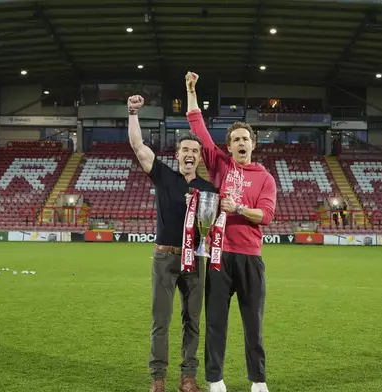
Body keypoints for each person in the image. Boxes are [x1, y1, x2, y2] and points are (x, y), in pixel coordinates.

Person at [184, 72, 277, 392]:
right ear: (229, 146)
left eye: (245, 139)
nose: (240, 143)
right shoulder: (220, 165)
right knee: (216, 323)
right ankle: (215, 379)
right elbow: (198, 126)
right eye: (235, 139)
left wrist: (237, 208)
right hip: (220, 258)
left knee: (254, 325)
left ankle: (258, 381)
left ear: (253, 144)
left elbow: (265, 216)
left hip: (251, 259)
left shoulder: (265, 178)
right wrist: (191, 90)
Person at [127, 94, 216, 392]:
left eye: (195, 150)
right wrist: (133, 114)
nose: (190, 154)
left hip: (195, 261)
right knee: (160, 322)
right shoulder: (164, 176)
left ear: (200, 158)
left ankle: (188, 377)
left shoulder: (208, 190)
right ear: (177, 155)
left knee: (192, 321)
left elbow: (213, 229)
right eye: (185, 149)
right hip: (164, 259)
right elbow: (138, 147)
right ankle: (158, 379)